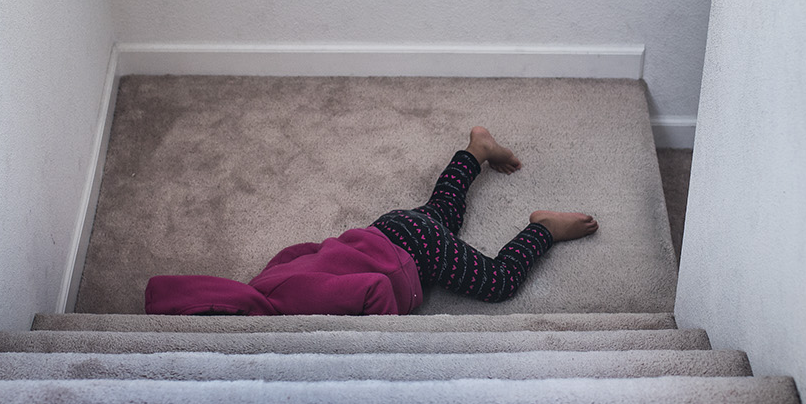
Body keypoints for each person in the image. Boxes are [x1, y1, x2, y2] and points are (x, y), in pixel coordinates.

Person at [145, 127, 598, 316]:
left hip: (415, 256)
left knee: (498, 282)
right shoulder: (263, 284)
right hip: (386, 231)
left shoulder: (290, 305)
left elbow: (377, 290)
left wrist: (381, 342)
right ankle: (477, 149)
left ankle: (544, 227)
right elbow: (297, 252)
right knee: (444, 209)